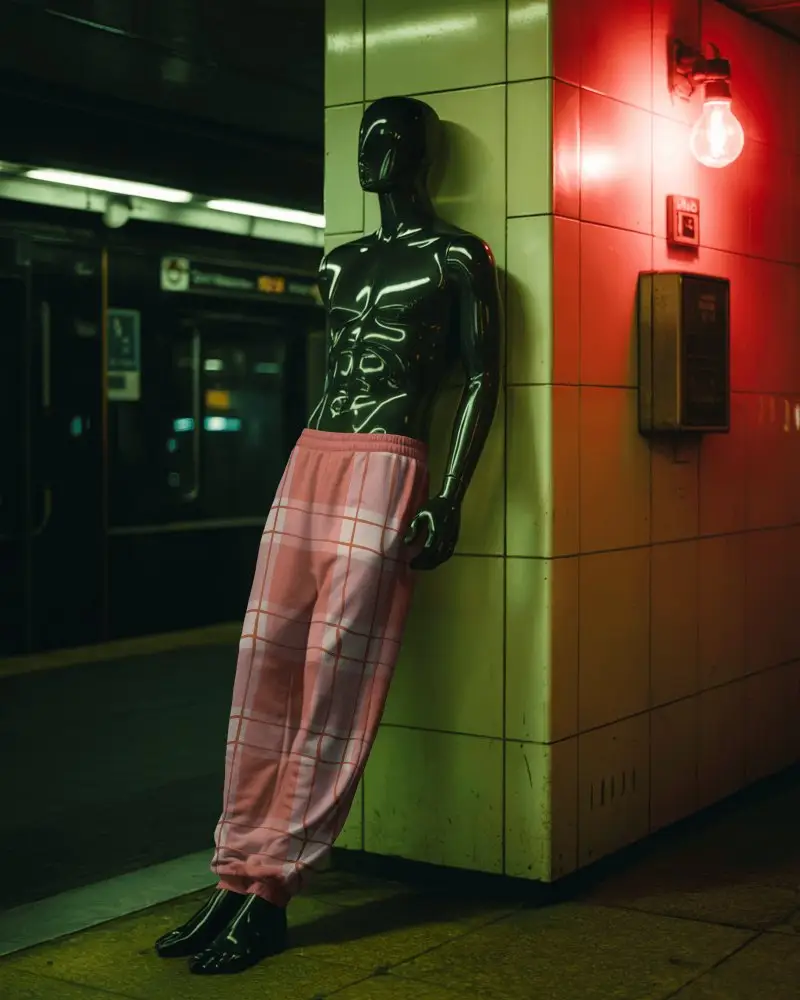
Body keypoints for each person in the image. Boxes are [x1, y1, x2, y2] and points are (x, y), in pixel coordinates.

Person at [154, 94, 502, 976]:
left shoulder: (460, 258)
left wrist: (450, 497)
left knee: (335, 669)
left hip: (389, 456)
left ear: (423, 154)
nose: (372, 149)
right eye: (364, 135)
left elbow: (482, 381)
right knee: (263, 658)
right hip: (314, 452)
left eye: (390, 137)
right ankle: (233, 874)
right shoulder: (338, 266)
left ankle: (274, 888)